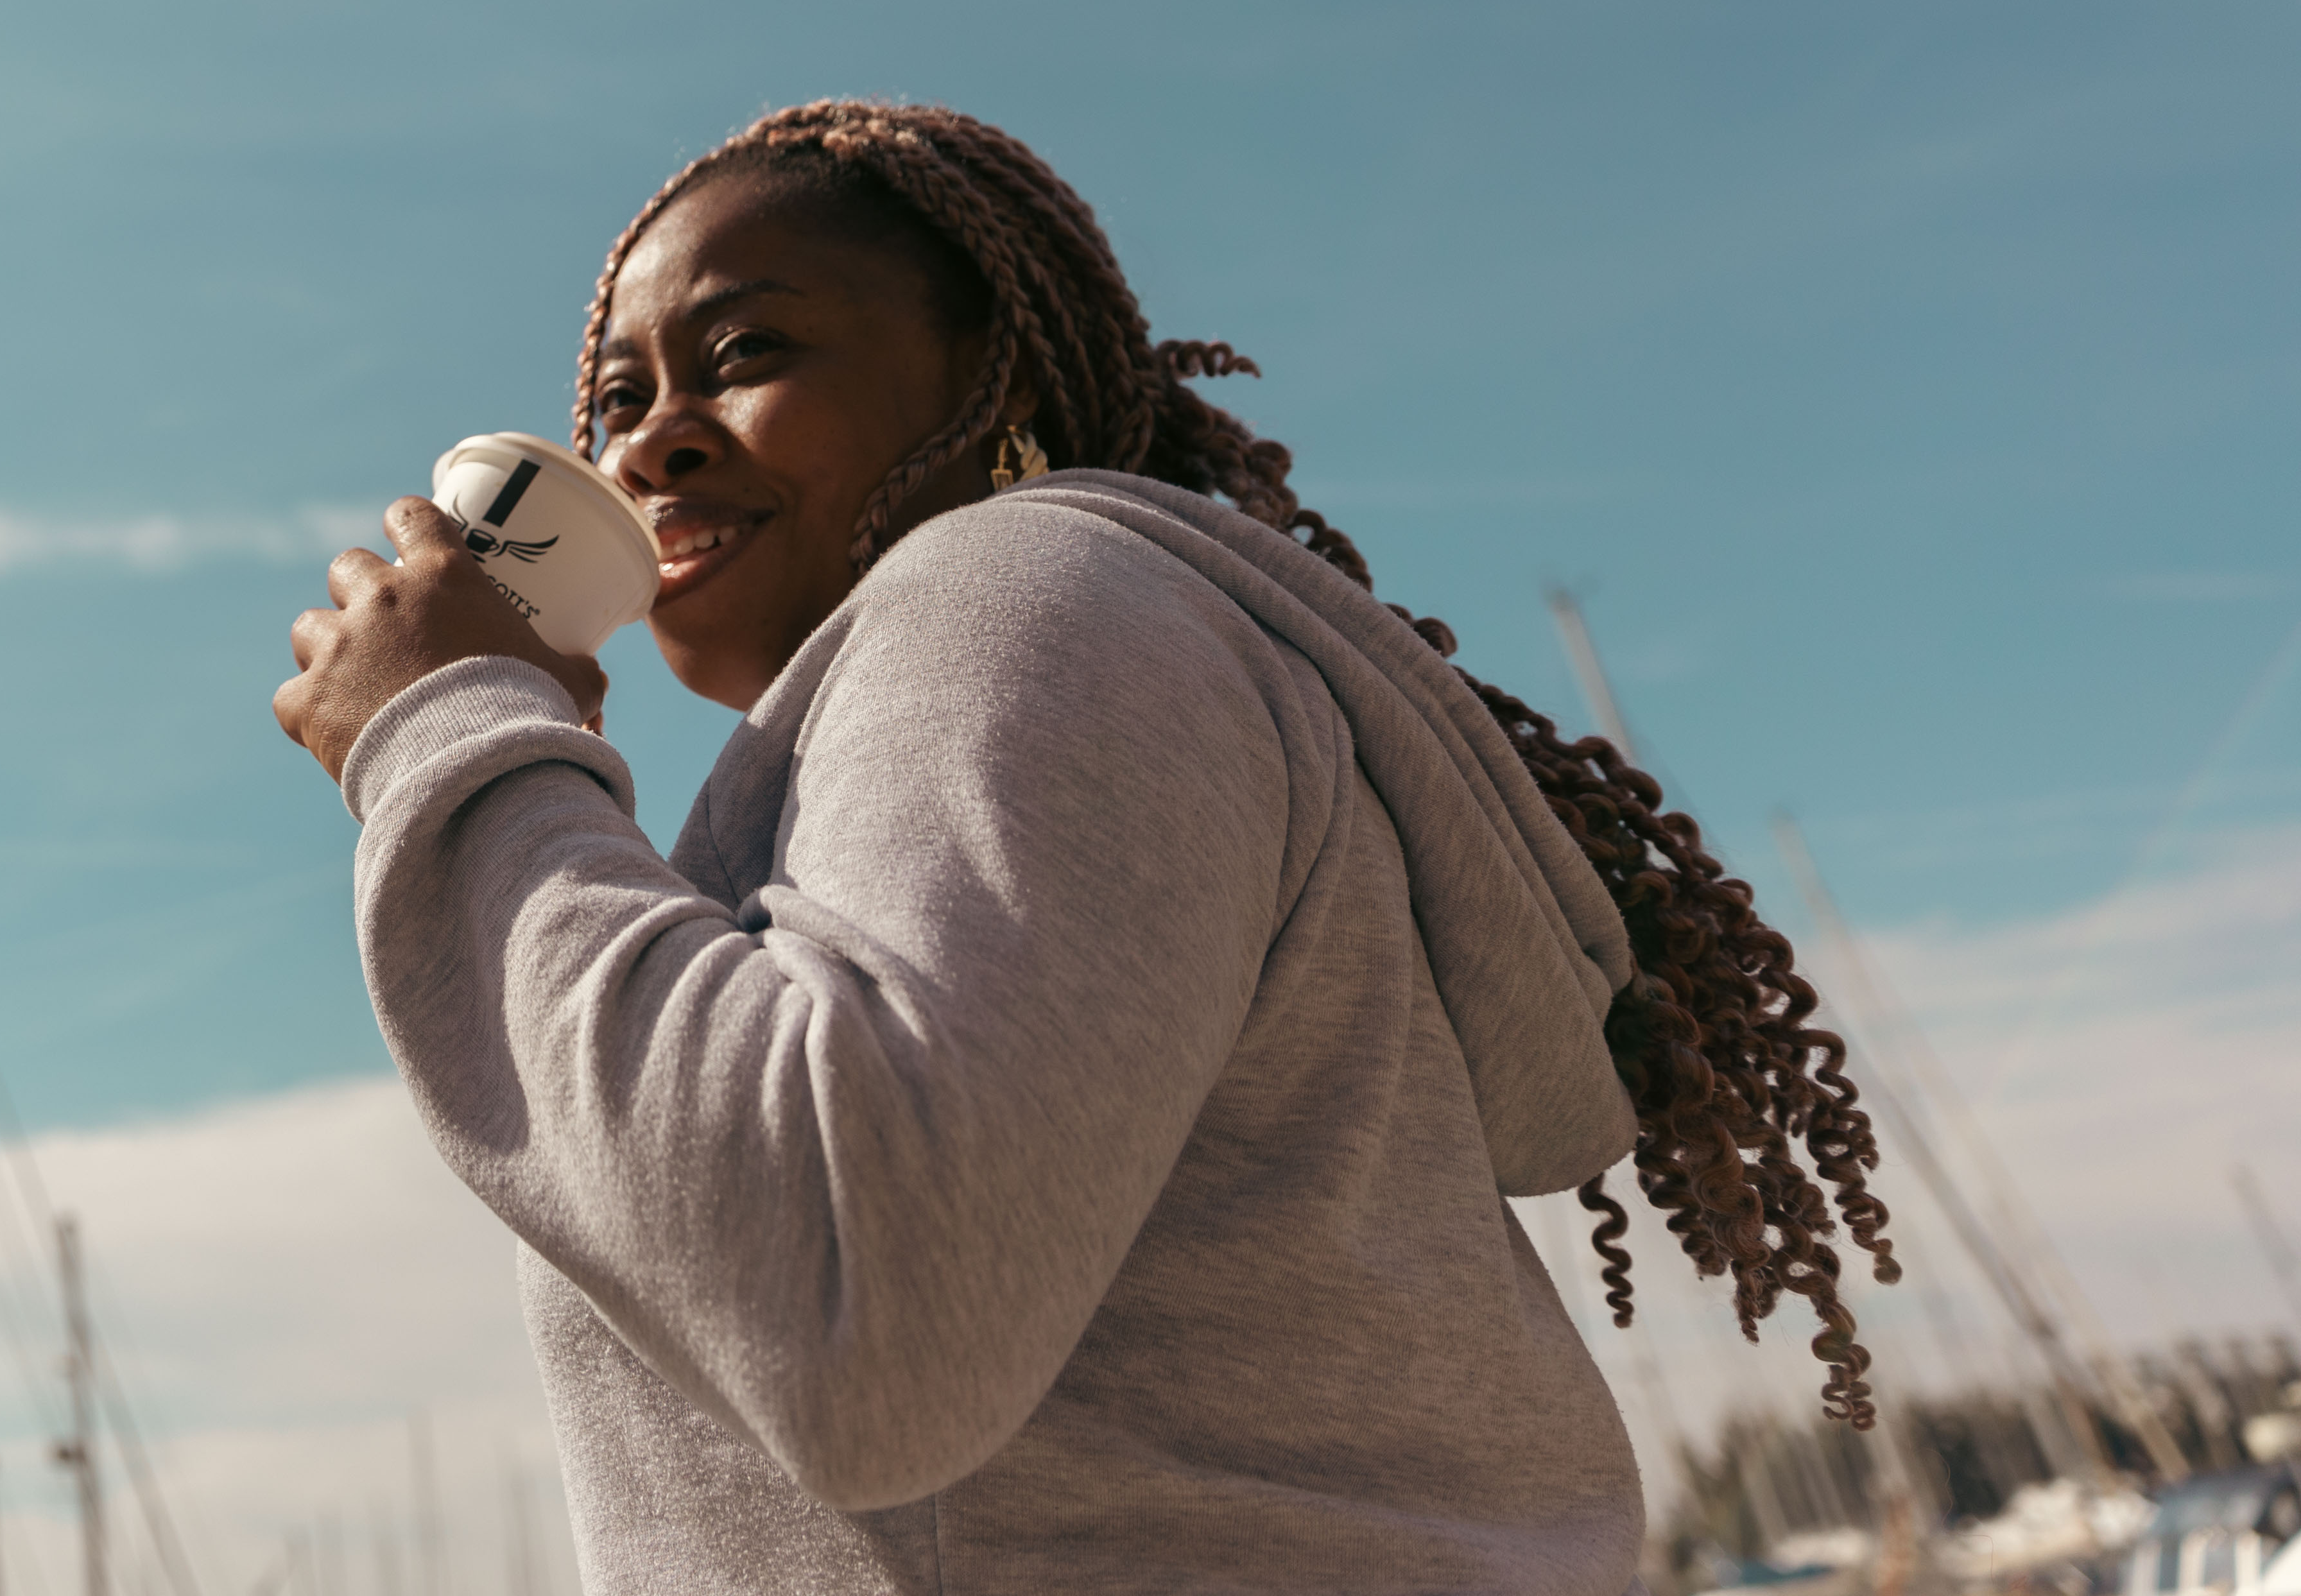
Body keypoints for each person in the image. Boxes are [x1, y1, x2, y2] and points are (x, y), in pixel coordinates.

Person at [273, 101, 1892, 1594]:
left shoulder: (1019, 593)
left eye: (746, 347)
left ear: (1004, 388)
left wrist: (453, 733)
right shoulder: (987, 691)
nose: (652, 440)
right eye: (617, 399)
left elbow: (861, 1297)